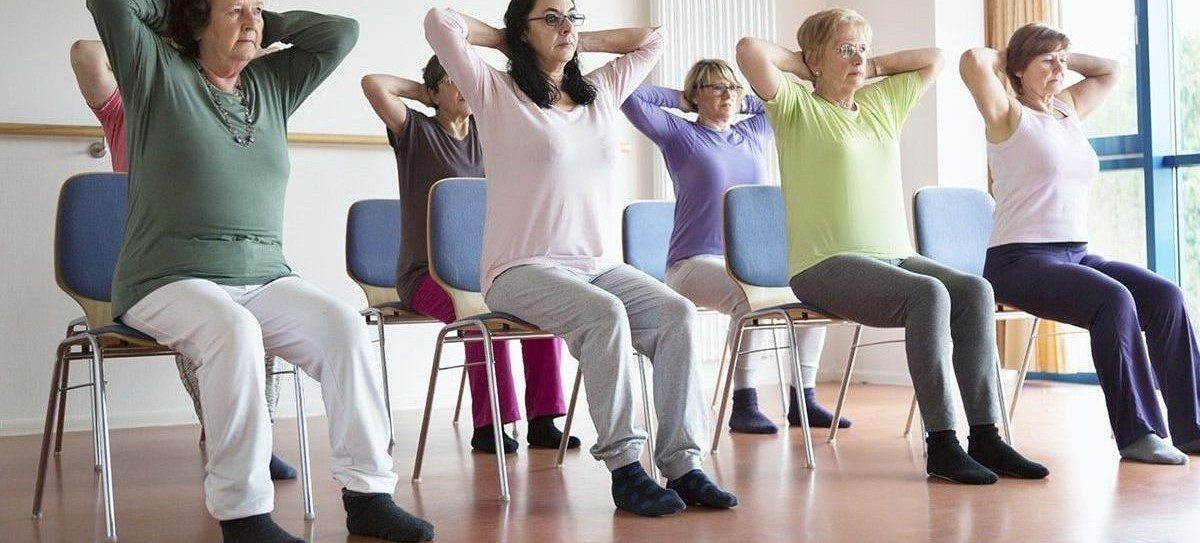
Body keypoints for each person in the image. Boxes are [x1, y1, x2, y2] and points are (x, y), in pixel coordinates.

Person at [87, 0, 433, 541]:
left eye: (258, 8)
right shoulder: (155, 71)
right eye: (234, 10)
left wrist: (260, 20)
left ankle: (369, 496)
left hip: (267, 274)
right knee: (234, 330)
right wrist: (179, 12)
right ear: (197, 23)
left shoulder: (272, 83)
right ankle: (244, 515)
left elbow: (342, 32)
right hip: (166, 277)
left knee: (344, 327)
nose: (252, 20)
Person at [425, 0, 736, 516]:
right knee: (604, 313)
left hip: (596, 264)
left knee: (675, 313)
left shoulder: (601, 93)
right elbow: (441, 22)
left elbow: (653, 39)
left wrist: (570, 41)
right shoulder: (495, 91)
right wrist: (511, 40)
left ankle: (683, 464)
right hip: (518, 268)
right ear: (522, 30)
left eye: (573, 14)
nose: (567, 24)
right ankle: (626, 468)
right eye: (551, 17)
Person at [736, 7, 1048, 484]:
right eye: (846, 49)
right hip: (824, 264)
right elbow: (750, 51)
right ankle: (942, 444)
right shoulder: (796, 107)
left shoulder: (883, 102)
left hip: (894, 255)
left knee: (975, 291)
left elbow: (936, 58)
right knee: (928, 295)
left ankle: (986, 437)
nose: (858, 57)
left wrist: (866, 64)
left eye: (862, 47)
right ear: (814, 59)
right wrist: (807, 66)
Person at [963, 23, 1200, 465]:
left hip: (1076, 252)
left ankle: (1192, 428)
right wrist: (1011, 55)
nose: (1059, 69)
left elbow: (1110, 69)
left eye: (1063, 60)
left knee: (1167, 297)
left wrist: (1058, 56)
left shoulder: (1068, 110)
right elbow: (973, 61)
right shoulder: (1007, 114)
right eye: (1047, 61)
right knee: (1112, 300)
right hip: (1018, 260)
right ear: (1018, 69)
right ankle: (1138, 434)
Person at [69, 38, 296, 481]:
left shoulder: (224, 105)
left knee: (260, 319)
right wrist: (167, 43)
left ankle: (255, 436)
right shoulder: (128, 106)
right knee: (209, 320)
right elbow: (87, 54)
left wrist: (230, 52)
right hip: (154, 264)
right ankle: (230, 436)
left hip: (223, 257)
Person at [362, 57, 577, 454]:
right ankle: (490, 424)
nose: (463, 87)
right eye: (452, 81)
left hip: (489, 272)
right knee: (479, 318)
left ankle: (544, 419)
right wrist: (423, 92)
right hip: (425, 275)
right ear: (433, 92)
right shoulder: (416, 132)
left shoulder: (490, 132)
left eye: (468, 80)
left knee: (539, 306)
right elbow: (375, 82)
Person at [620, 59, 847, 434]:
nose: (727, 94)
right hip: (693, 264)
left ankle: (802, 401)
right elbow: (628, 95)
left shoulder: (755, 133)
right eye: (715, 88)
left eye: (733, 88)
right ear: (696, 95)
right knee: (749, 299)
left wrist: (743, 99)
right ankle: (745, 404)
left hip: (752, 263)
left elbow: (788, 98)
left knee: (815, 293)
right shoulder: (680, 136)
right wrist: (682, 100)